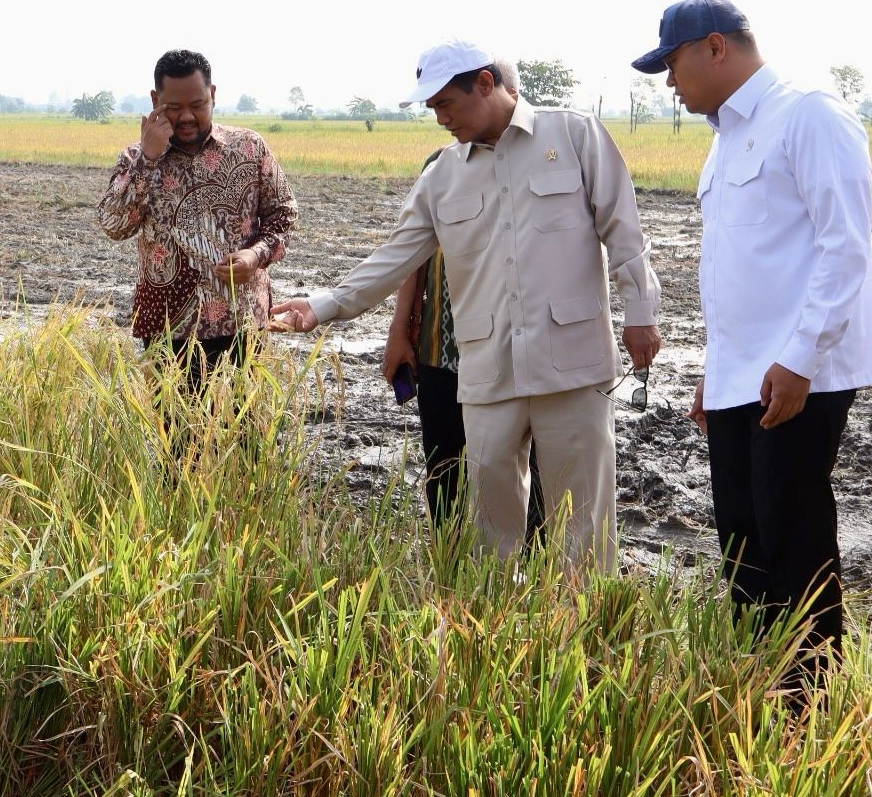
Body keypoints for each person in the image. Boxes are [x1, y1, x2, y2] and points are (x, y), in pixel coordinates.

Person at [273, 40, 661, 568]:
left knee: (583, 528)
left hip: (571, 366)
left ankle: (582, 638)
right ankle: (490, 636)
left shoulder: (573, 135)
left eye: (444, 104)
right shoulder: (443, 175)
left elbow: (624, 232)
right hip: (488, 372)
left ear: (484, 82)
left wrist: (641, 315)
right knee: (488, 530)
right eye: (432, 109)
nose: (440, 119)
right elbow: (394, 257)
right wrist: (321, 307)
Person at [631, 0, 872, 679]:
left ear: (715, 47)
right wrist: (718, 375)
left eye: (673, 63)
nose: (669, 83)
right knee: (742, 543)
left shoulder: (808, 113)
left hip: (802, 374)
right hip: (744, 375)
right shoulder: (724, 138)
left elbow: (845, 250)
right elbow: (741, 272)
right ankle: (758, 689)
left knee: (792, 536)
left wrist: (799, 360)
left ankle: (809, 706)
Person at [382, 60, 544, 536]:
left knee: (523, 472)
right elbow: (411, 252)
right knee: (446, 467)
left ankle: (528, 572)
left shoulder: (546, 155)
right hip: (443, 346)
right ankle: (451, 562)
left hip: (519, 352)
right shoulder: (442, 167)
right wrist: (400, 329)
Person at [98, 49, 298, 390]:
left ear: (214, 95)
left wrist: (256, 255)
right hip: (168, 335)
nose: (187, 117)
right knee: (178, 441)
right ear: (155, 100)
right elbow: (114, 225)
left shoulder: (249, 148)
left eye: (198, 104)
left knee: (247, 440)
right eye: (174, 108)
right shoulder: (135, 159)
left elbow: (284, 215)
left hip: (243, 327)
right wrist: (148, 160)